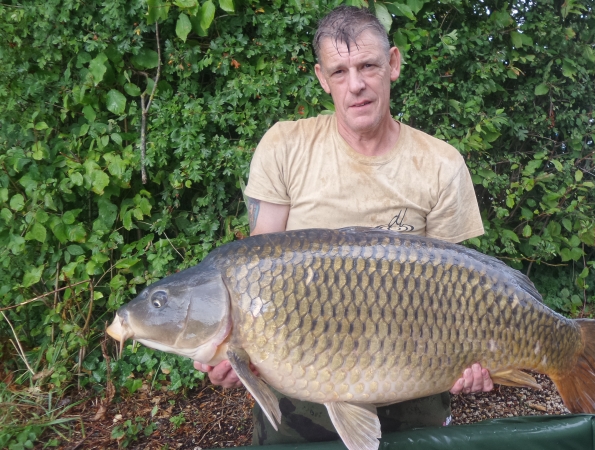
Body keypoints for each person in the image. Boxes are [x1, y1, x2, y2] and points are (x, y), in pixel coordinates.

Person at [193, 5, 494, 445]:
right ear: (322, 77)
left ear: (392, 64)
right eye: (340, 71)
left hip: (414, 380)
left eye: (368, 65)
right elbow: (253, 271)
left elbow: (461, 284)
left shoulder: (440, 164)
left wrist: (475, 362)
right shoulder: (284, 147)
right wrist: (234, 350)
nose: (356, 85)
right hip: (301, 388)